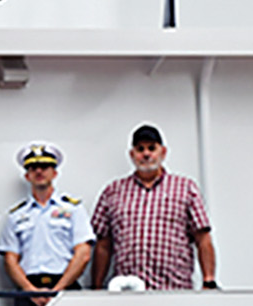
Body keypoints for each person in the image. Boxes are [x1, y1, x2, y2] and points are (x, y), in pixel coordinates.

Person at [91, 124, 218, 291]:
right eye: (140, 149)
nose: (146, 154)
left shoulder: (186, 188)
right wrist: (97, 287)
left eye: (152, 148)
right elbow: (103, 245)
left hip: (175, 290)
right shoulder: (112, 192)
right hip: (128, 293)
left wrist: (209, 281)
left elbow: (203, 238)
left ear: (163, 152)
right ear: (132, 154)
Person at [0, 142, 93, 306]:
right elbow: (10, 260)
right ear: (27, 175)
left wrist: (58, 290)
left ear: (55, 173)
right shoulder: (16, 215)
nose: (39, 171)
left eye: (45, 167)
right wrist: (30, 290)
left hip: (65, 290)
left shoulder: (73, 209)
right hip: (28, 293)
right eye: (33, 168)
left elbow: (83, 254)